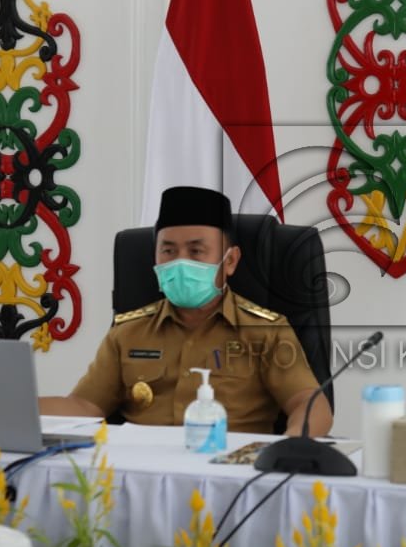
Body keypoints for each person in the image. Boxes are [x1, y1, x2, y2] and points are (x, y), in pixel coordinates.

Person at [40, 186, 330, 436]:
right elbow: (84, 406)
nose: (180, 262)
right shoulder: (127, 332)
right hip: (141, 471)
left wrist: (294, 442)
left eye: (196, 251)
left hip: (232, 473)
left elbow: (307, 401)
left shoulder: (266, 331)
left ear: (230, 261)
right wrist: (11, 404)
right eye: (168, 251)